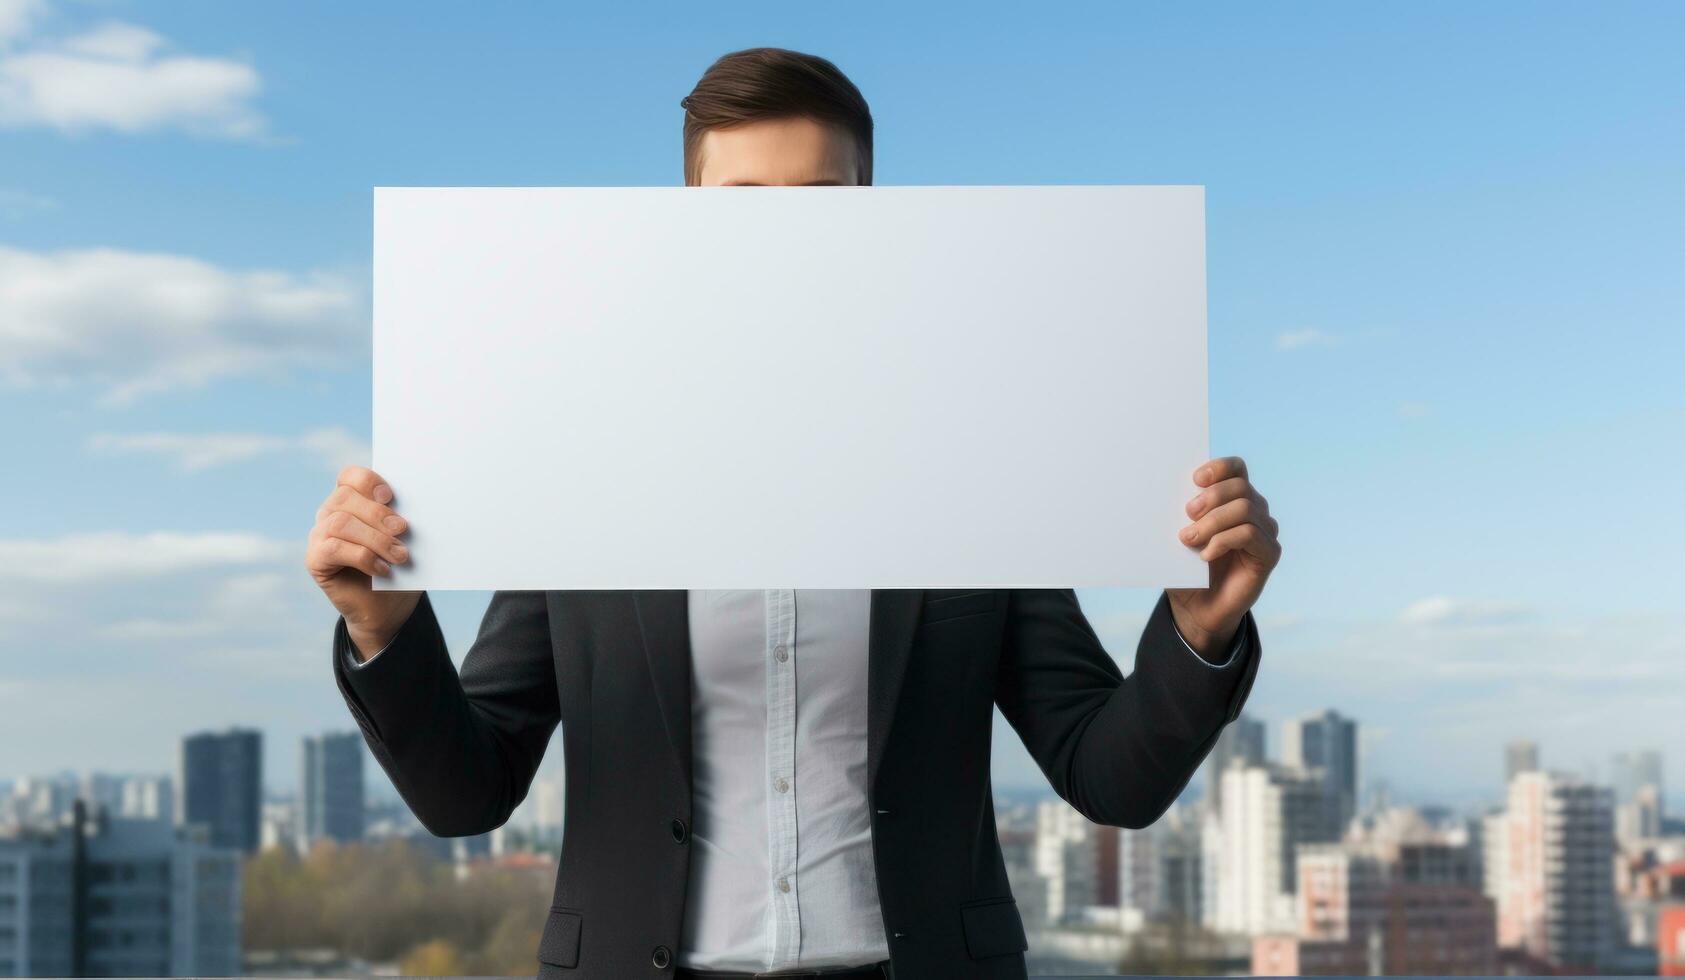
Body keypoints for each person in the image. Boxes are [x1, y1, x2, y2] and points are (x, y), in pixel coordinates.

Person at [306, 47, 1280, 980]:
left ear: (873, 219)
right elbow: (468, 789)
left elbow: (1108, 776)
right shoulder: (589, 464)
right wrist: (381, 627)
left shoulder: (971, 463)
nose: (784, 243)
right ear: (685, 225)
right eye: (744, 209)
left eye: (822, 207)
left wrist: (1199, 629)